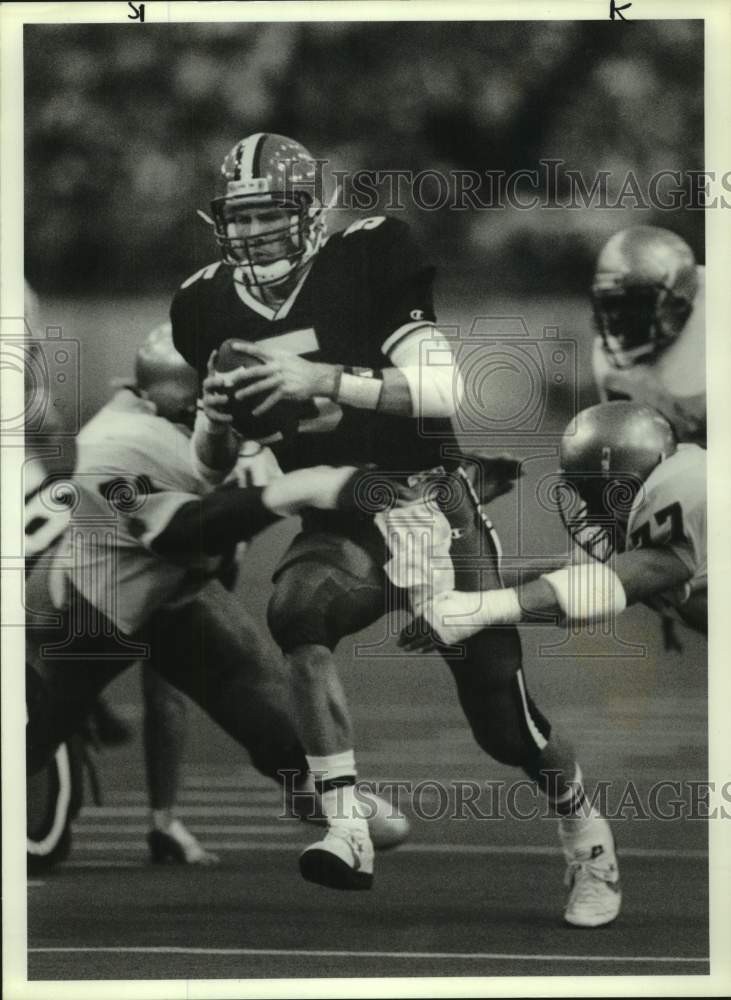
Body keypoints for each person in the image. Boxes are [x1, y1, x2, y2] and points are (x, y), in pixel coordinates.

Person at [171, 132, 620, 927]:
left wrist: (324, 380)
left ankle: (585, 831)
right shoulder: (202, 302)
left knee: (503, 721)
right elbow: (210, 462)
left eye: (268, 215)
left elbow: (441, 388)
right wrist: (210, 421)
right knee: (296, 614)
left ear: (310, 213)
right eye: (237, 219)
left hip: (429, 506)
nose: (249, 234)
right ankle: (347, 826)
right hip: (338, 512)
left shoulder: (372, 255)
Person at [25, 324, 408, 867]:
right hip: (85, 615)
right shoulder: (114, 447)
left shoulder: (211, 427)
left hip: (175, 595)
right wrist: (305, 486)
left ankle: (310, 790)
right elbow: (181, 529)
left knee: (296, 749)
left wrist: (164, 818)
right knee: (32, 808)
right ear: (184, 402)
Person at [411, 402, 706, 642]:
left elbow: (612, 580)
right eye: (585, 495)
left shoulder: (685, 488)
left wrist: (479, 612)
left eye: (597, 495)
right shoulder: (653, 513)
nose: (589, 512)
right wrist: (438, 583)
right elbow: (568, 572)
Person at [591, 226, 705, 446]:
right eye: (612, 304)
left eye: (634, 305)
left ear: (679, 304)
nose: (618, 320)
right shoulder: (608, 359)